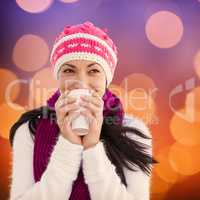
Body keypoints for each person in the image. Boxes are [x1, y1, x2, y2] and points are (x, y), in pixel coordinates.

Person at [9, 21, 156, 200]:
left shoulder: (134, 132)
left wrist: (92, 147)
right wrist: (68, 144)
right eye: (69, 70)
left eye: (93, 71)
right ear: (58, 77)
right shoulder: (30, 130)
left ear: (106, 79)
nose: (81, 82)